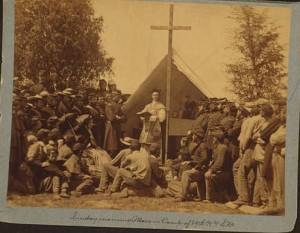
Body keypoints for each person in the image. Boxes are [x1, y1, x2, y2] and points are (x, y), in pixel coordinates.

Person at [203, 128, 232, 203]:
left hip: (225, 173)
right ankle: (221, 194)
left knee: (208, 175)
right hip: (220, 172)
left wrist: (210, 170)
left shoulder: (222, 148)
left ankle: (209, 198)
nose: (213, 140)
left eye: (214, 138)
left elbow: (219, 163)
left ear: (216, 139)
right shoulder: (218, 148)